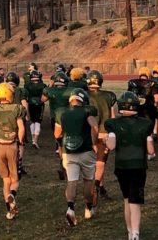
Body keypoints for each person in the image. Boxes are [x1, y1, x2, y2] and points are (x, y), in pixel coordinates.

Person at [105, 91, 155, 240]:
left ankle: (129, 231)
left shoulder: (113, 124)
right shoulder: (145, 124)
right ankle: (135, 233)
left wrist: (105, 140)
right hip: (138, 166)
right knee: (135, 201)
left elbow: (112, 146)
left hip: (122, 166)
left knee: (127, 199)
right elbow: (151, 150)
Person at [55, 89, 99, 227]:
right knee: (88, 181)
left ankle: (70, 208)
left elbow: (57, 134)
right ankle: (88, 208)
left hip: (69, 151)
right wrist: (94, 142)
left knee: (72, 181)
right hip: (86, 150)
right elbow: (95, 126)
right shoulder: (87, 111)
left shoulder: (62, 113)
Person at [0, 82, 26, 220]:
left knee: (5, 180)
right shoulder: (17, 109)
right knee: (15, 179)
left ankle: (10, 210)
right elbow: (21, 128)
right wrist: (20, 142)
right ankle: (12, 196)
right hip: (12, 145)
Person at [86, 70, 117, 200]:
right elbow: (113, 116)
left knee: (94, 163)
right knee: (100, 162)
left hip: (88, 132)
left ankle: (100, 186)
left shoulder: (84, 95)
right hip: (104, 131)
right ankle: (97, 187)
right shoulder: (109, 96)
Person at [23, 70, 46, 149]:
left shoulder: (27, 85)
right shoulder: (43, 85)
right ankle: (35, 140)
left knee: (32, 121)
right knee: (38, 122)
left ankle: (33, 140)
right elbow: (44, 97)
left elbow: (25, 96)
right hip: (39, 104)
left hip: (30, 104)